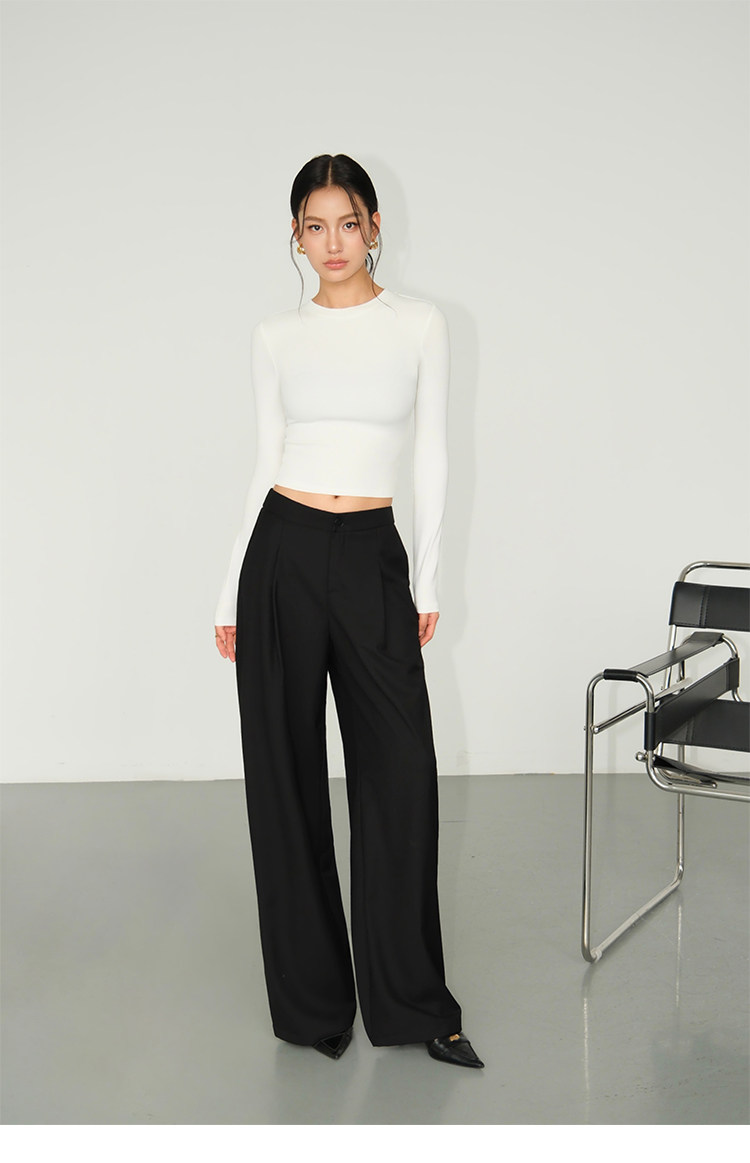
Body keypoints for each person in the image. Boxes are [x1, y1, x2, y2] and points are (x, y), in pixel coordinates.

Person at [214, 154, 483, 1069]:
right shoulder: (274, 336)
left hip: (371, 554)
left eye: (347, 222)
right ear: (295, 236)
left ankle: (414, 1004)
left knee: (399, 774)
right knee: (283, 779)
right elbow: (265, 460)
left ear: (374, 226)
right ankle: (314, 1006)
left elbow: (434, 454)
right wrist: (227, 586)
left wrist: (428, 579)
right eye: (313, 225)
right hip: (281, 553)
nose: (333, 242)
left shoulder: (419, 324)